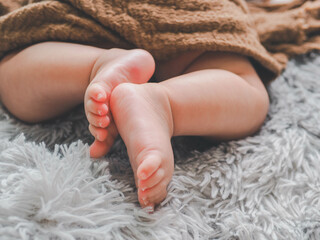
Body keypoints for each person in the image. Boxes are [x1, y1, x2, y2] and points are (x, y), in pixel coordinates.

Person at [0, 0, 318, 210]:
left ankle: (99, 63)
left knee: (13, 71)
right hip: (186, 10)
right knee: (243, 86)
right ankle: (164, 103)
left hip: (84, 11)